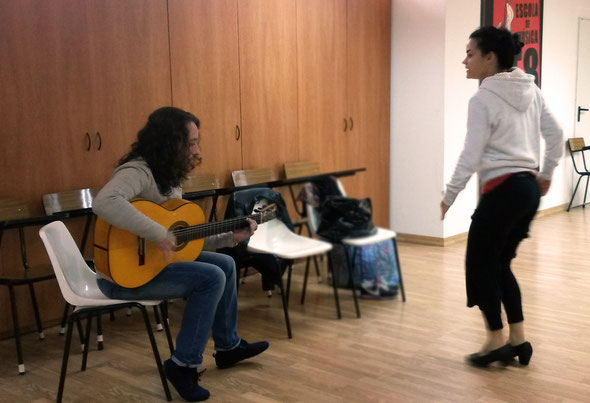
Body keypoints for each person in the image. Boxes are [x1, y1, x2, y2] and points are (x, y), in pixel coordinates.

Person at [93, 106, 268, 401]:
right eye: (190, 143)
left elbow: (182, 240)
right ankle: (182, 365)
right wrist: (158, 234)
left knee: (225, 263)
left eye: (197, 141)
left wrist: (229, 237)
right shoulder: (137, 171)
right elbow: (105, 202)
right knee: (210, 277)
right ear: (168, 141)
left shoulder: (169, 177)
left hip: (155, 265)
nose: (196, 149)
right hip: (122, 274)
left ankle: (227, 347)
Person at [440, 27, 563, 367]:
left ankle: (495, 342)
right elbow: (557, 135)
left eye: (470, 53)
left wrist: (449, 195)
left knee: (479, 267)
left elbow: (470, 153)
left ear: (490, 57)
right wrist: (546, 173)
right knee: (500, 265)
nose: (464, 60)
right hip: (526, 190)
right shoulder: (531, 90)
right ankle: (519, 340)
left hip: (503, 191)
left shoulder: (482, 99)